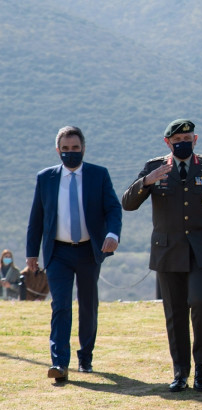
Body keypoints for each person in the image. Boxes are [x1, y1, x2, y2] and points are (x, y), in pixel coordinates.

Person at [122, 119, 202, 393]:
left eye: (188, 138)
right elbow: (127, 203)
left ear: (196, 140)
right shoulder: (153, 168)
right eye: (178, 140)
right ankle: (180, 370)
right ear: (167, 143)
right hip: (168, 251)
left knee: (199, 302)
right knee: (174, 312)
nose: (183, 143)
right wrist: (147, 182)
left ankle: (201, 366)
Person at [26, 126, 122, 382]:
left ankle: (86, 356)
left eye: (75, 148)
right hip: (58, 253)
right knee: (60, 306)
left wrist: (112, 235)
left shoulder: (98, 175)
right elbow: (37, 218)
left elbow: (113, 209)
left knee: (88, 305)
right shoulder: (45, 177)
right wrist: (31, 253)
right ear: (58, 151)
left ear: (83, 148)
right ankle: (59, 363)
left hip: (89, 251)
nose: (70, 153)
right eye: (65, 149)